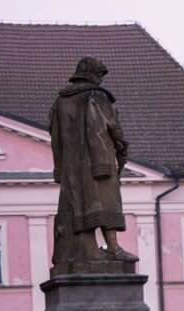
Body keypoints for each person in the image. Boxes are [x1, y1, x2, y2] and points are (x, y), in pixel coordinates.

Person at [49, 56, 136, 270]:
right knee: (107, 202)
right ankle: (113, 248)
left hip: (71, 166)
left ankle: (85, 251)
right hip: (99, 161)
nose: (101, 81)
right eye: (99, 75)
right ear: (94, 75)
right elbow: (112, 126)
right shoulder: (97, 96)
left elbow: (54, 135)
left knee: (79, 206)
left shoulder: (60, 101)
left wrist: (59, 167)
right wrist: (122, 147)